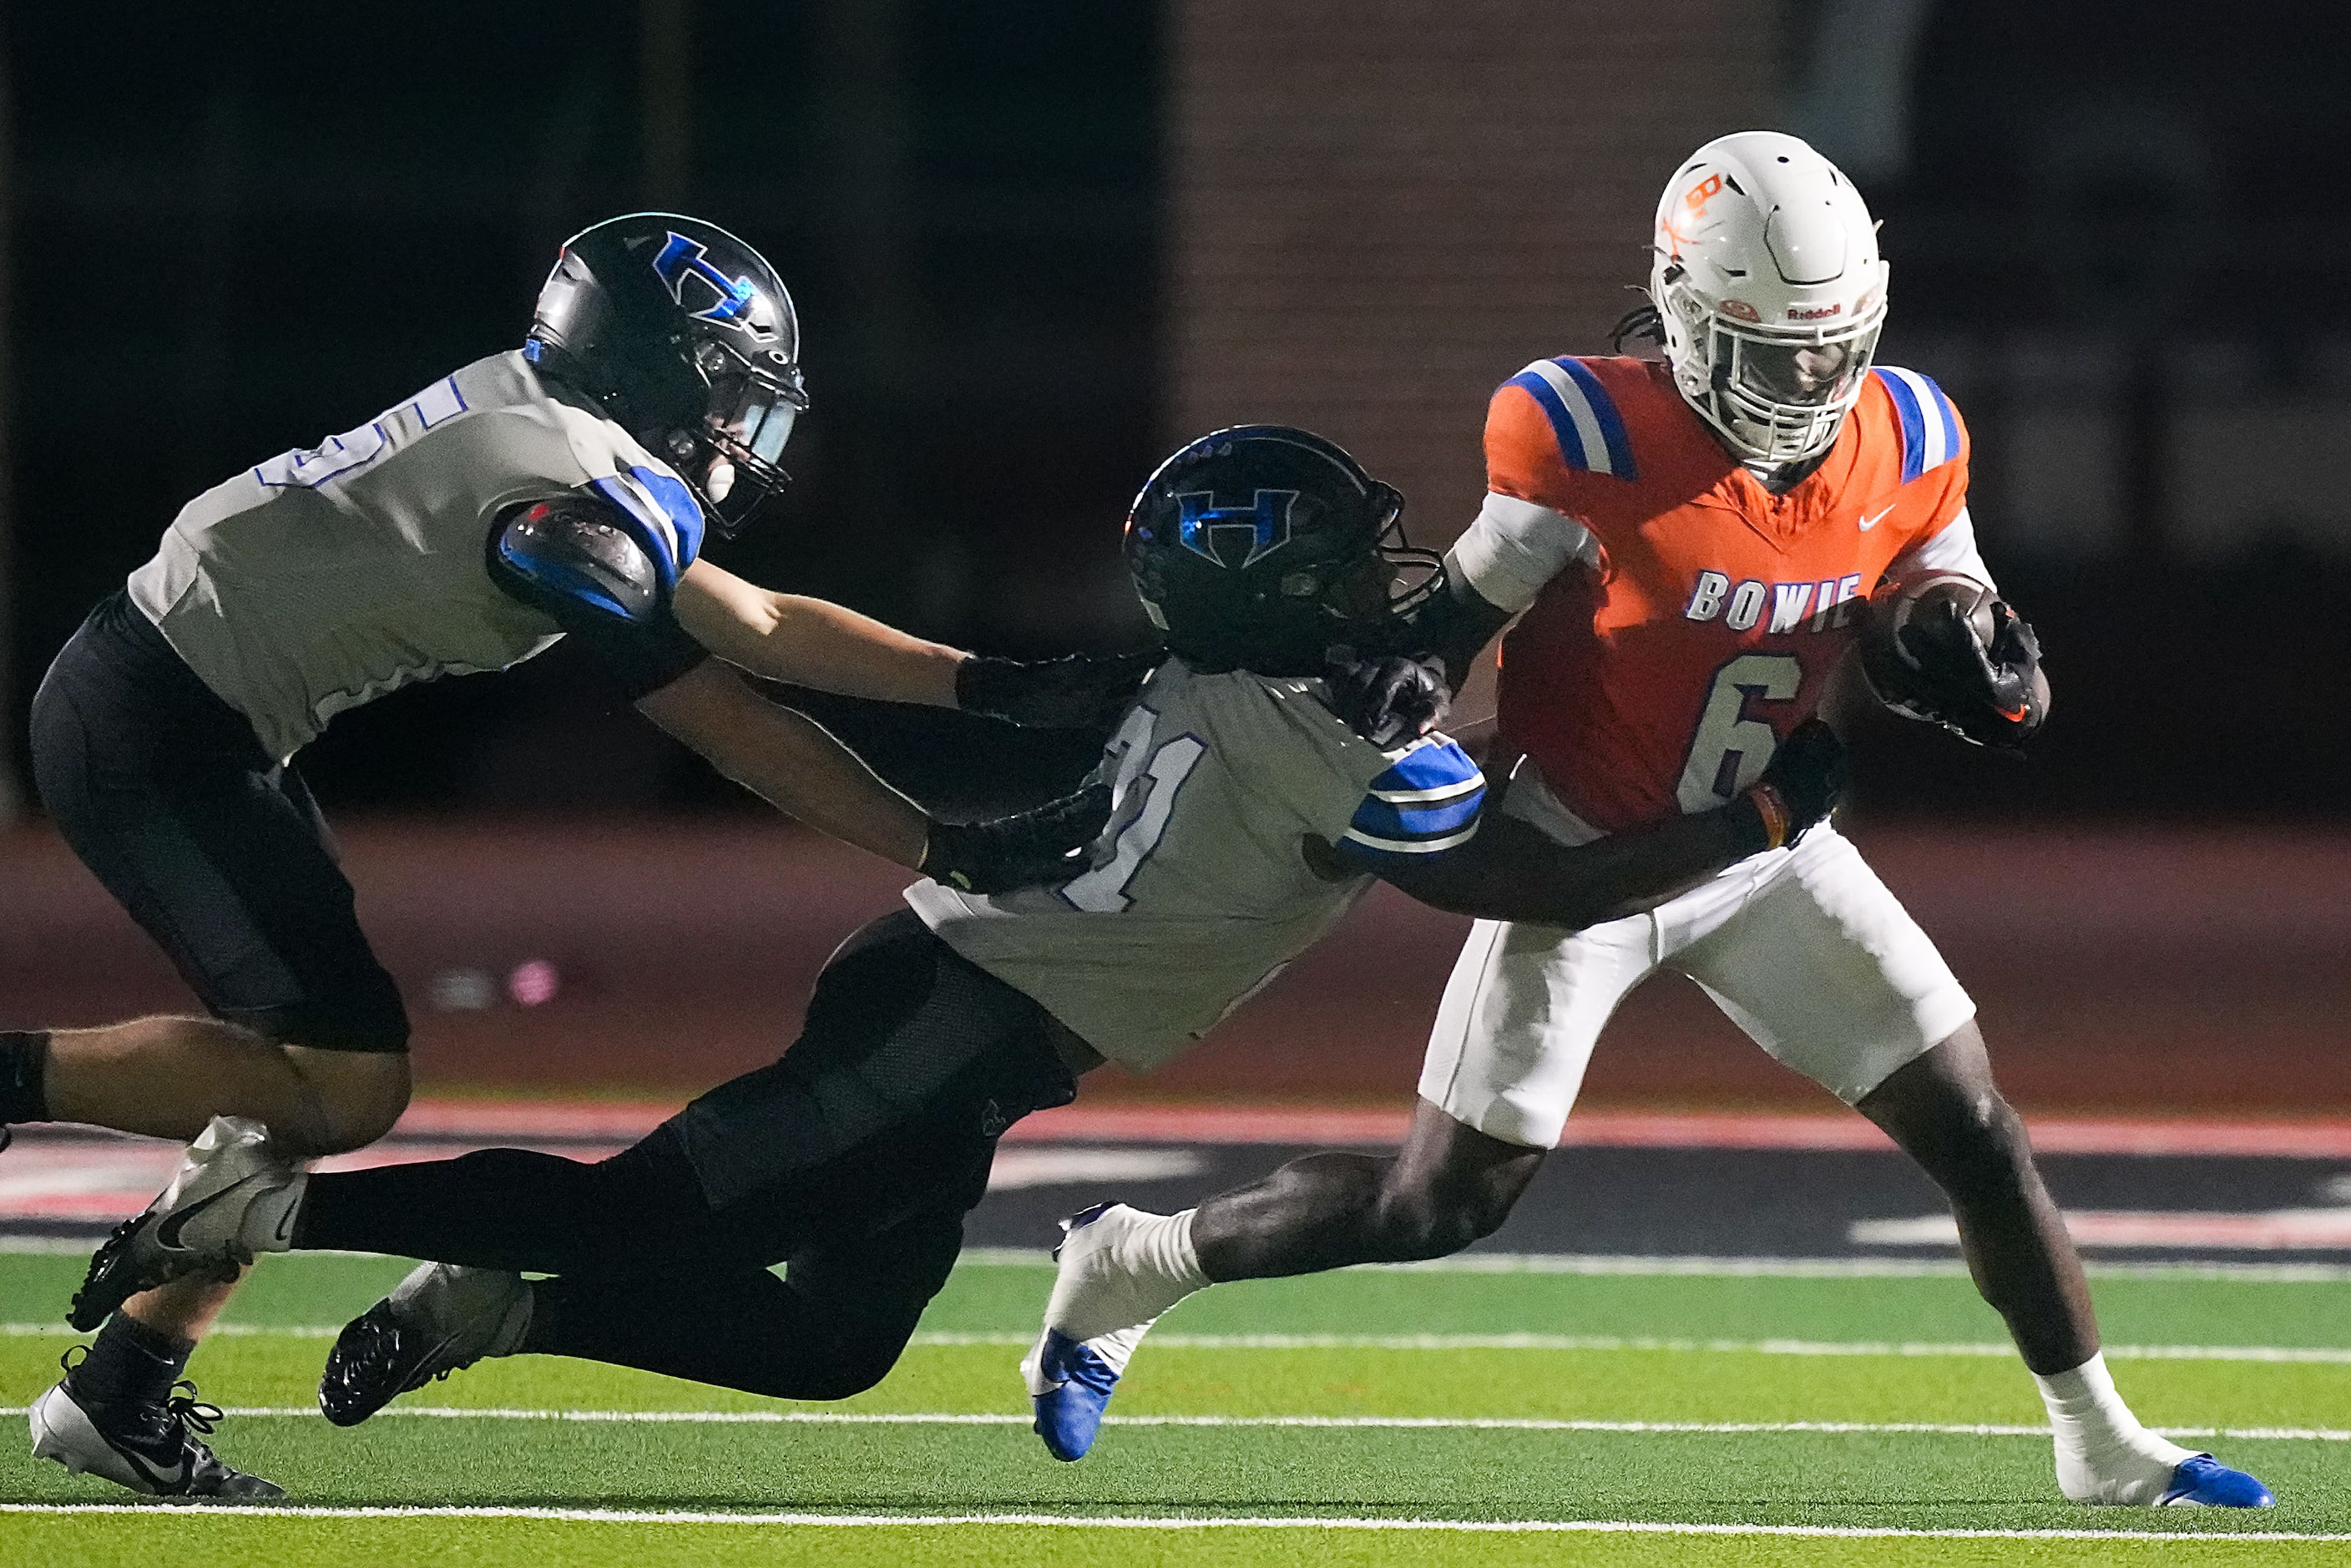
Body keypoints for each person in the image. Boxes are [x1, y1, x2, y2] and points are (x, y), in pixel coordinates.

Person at [59, 425, 1844, 1477]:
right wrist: (1767, 817)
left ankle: (495, 1304)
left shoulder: (1238, 680)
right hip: (960, 1019)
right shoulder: (1345, 737)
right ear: (1289, 588)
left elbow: (1387, 673)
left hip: (966, 1005)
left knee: (837, 1345)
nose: (1383, 578)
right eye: (1344, 558)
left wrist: (1452, 631)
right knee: (651, 1209)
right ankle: (260, 1214)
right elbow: (1529, 889)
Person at [1017, 134, 2273, 1510]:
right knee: (1439, 1204)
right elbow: (1468, 604)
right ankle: (1131, 1260)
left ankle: (2097, 1440)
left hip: (1768, 852)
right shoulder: (1588, 433)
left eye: (1829, 345)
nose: (1809, 379)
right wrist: (1412, 666)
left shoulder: (1910, 431)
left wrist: (1975, 645)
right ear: (1681, 310)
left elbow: (1938, 588)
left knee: (1979, 1128)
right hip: (1579, 853)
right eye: (1773, 348)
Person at [8, 211, 1144, 1498]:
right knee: (346, 1083)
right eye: (729, 389)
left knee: (306, 1067)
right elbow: (727, 720)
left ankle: (119, 1393)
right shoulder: (568, 498)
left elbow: (761, 618)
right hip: (158, 726)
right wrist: (943, 840)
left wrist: (985, 684)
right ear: (663, 363)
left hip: (179, 711)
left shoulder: (565, 441)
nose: (741, 428)